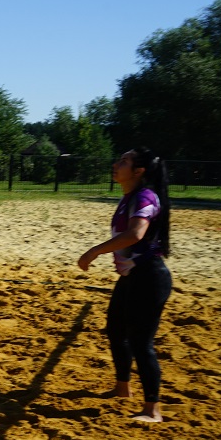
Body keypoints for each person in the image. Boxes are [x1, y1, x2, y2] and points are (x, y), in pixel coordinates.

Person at [78, 147, 171, 422]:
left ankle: (152, 410)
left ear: (139, 171)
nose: (116, 165)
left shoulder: (144, 196)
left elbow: (135, 234)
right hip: (132, 276)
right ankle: (122, 389)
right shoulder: (130, 197)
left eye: (124, 162)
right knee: (116, 331)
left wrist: (94, 251)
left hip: (149, 277)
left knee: (141, 342)